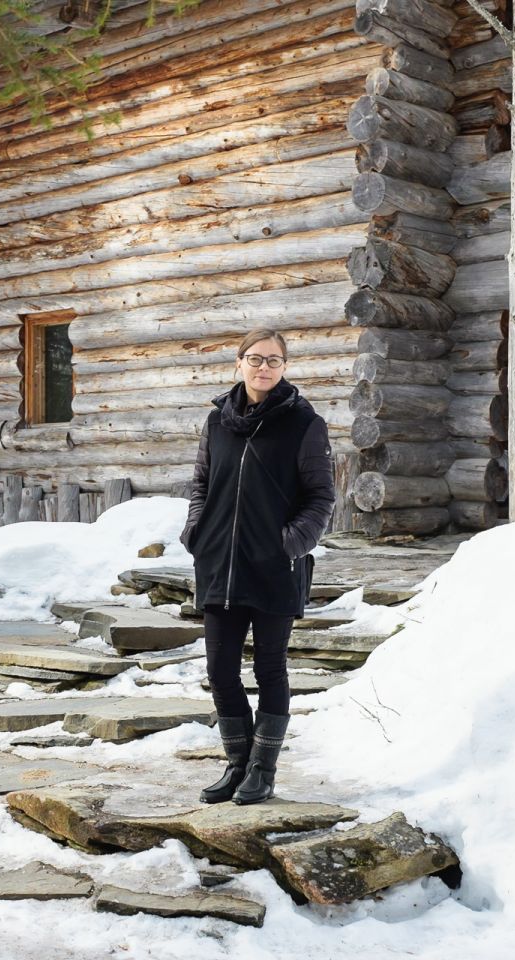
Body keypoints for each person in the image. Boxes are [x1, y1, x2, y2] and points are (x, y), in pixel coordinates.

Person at [178, 328, 336, 805]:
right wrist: (196, 534)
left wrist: (286, 545)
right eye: (254, 358)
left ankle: (263, 771)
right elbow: (201, 484)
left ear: (285, 367)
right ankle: (237, 764)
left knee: (269, 668)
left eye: (273, 360)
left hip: (273, 568)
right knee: (221, 670)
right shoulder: (217, 422)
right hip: (220, 564)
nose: (263, 367)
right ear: (239, 363)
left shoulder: (305, 424)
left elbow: (320, 498)